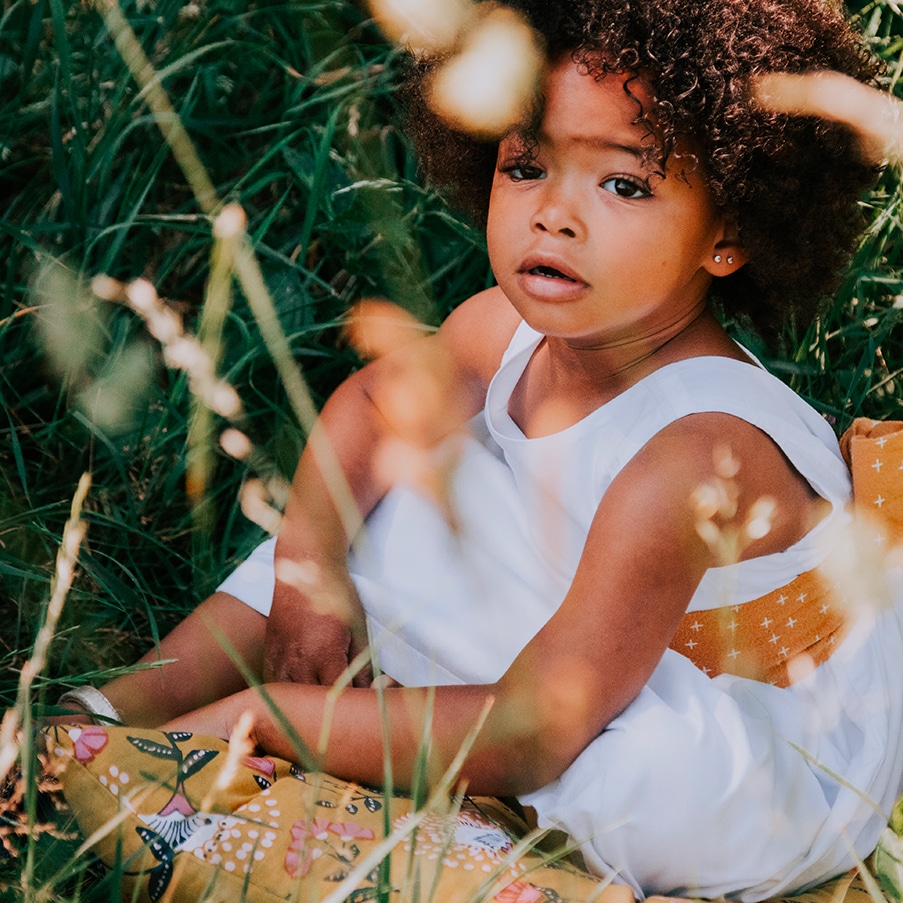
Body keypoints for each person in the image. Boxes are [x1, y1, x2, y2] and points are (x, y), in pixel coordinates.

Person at [53, 0, 903, 899]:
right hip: (601, 633)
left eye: (623, 184)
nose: (554, 216)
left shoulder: (693, 454)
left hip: (732, 749)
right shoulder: (505, 329)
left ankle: (468, 841)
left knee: (629, 771)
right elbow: (378, 401)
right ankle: (97, 720)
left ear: (730, 233)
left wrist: (278, 716)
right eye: (526, 166)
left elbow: (536, 726)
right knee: (380, 515)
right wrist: (311, 573)